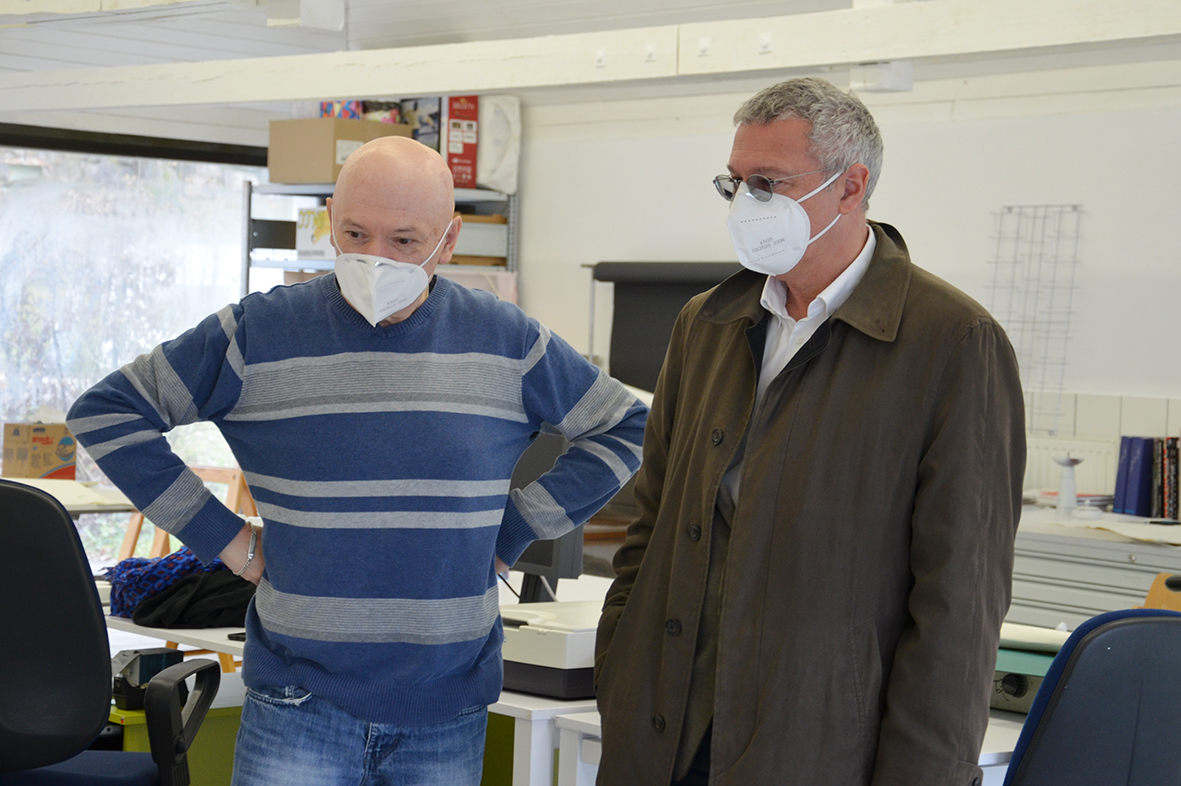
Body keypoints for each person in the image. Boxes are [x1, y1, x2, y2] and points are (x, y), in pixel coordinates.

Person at [67, 135, 647, 786]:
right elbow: (107, 412)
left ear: (449, 239)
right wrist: (227, 540)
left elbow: (627, 426)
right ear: (329, 224)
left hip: (445, 709)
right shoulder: (255, 334)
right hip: (297, 702)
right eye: (354, 234)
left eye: (403, 240)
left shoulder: (508, 340)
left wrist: (513, 530)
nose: (375, 258)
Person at [593, 77, 1025, 786]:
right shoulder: (707, 323)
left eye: (768, 183)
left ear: (850, 187)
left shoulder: (952, 342)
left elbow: (959, 602)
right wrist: (619, 664)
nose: (745, 204)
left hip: (816, 744)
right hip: (664, 727)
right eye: (734, 183)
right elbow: (653, 522)